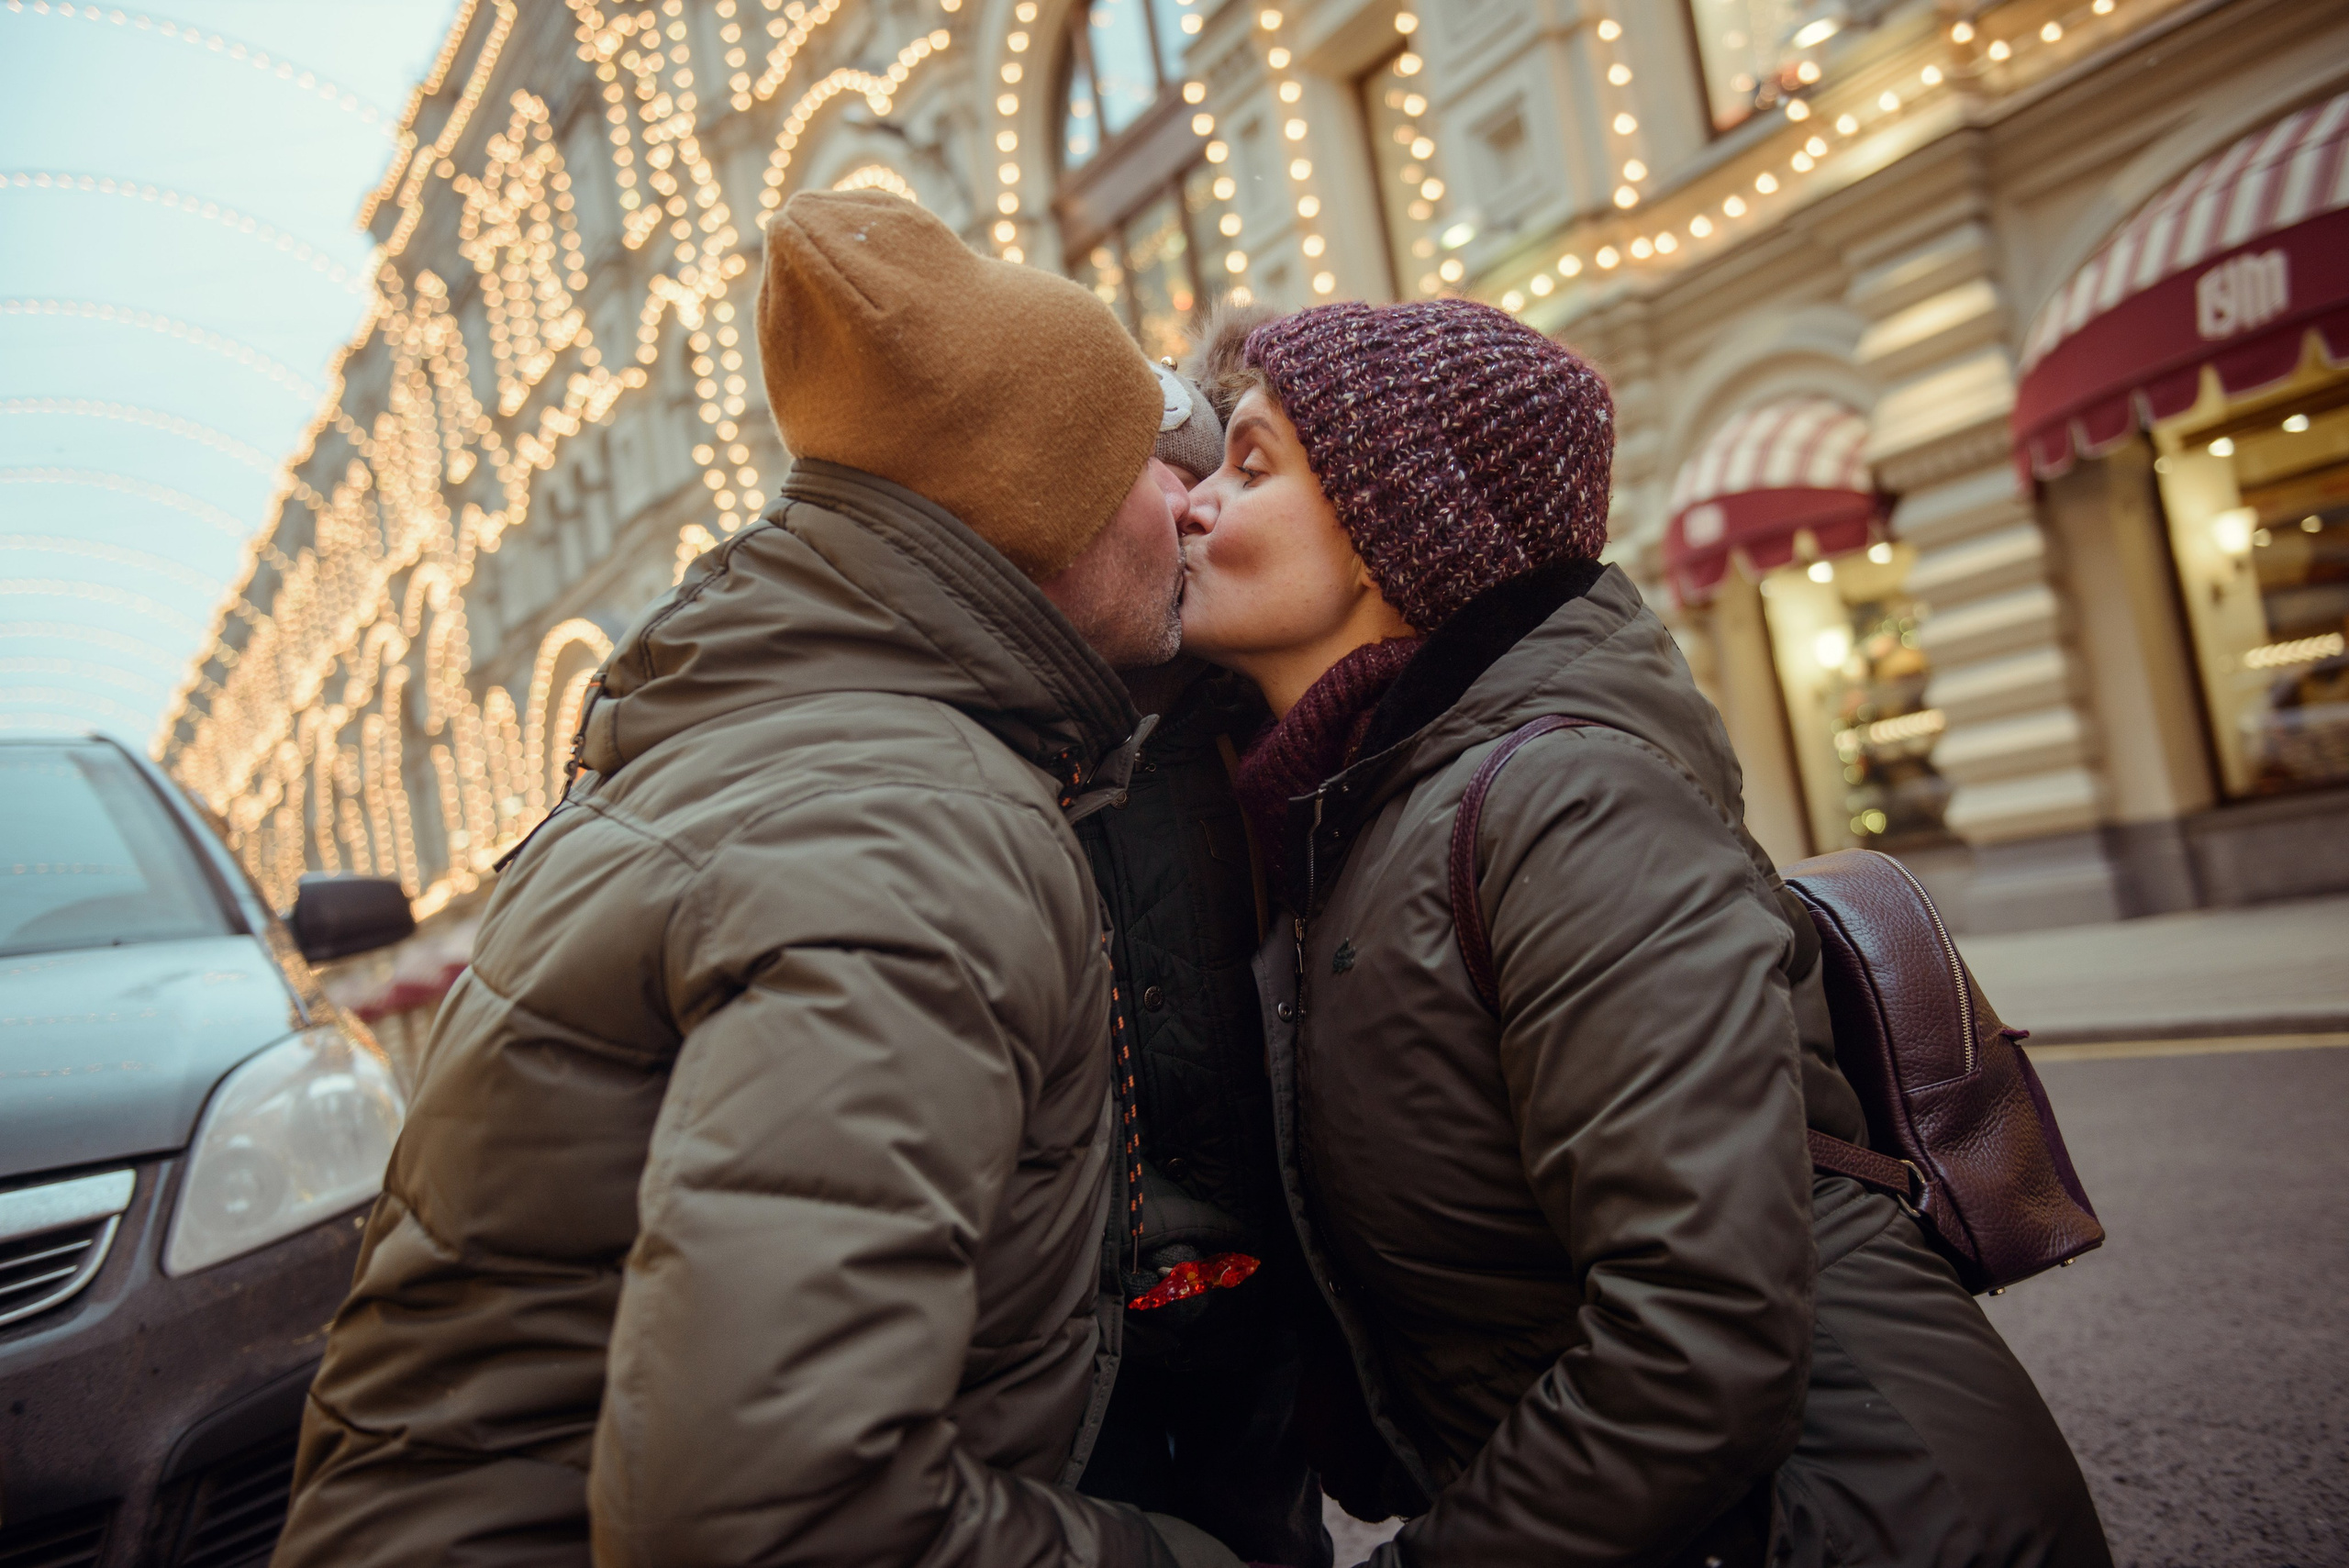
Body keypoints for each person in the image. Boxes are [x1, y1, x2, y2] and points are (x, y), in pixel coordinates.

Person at [272, 189, 1243, 1568]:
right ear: (1050, 506)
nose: (1191, 501)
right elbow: (778, 1514)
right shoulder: (904, 837)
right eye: (1147, 462)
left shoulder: (769, 746)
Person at [1174, 297, 2111, 1568]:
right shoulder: (1355, 818)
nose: (1194, 506)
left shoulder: (1567, 801)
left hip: (1863, 1521)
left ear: (1393, 526)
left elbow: (1699, 1336)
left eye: (1251, 466)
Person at [1070, 309, 1332, 1568]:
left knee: (1267, 1527)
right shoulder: (1031, 732)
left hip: (1259, 1266)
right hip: (1090, 1296)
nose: (1186, 515)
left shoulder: (1249, 712)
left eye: (1206, 481)